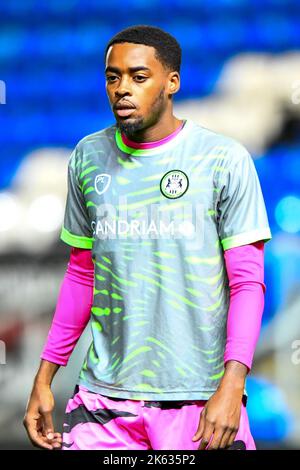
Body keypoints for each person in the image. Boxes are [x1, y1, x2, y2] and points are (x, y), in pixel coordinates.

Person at [23, 25, 272, 451]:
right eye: (113, 76)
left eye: (139, 77)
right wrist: (45, 378)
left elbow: (248, 283)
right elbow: (83, 275)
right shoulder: (87, 157)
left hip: (197, 399)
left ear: (171, 82)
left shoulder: (223, 160)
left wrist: (233, 385)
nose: (122, 89)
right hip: (102, 400)